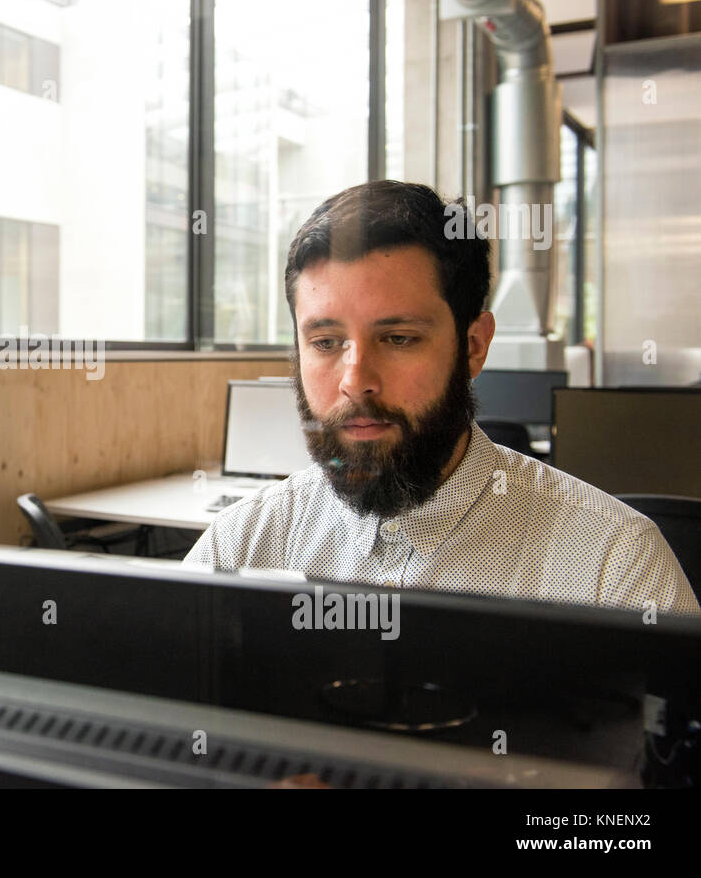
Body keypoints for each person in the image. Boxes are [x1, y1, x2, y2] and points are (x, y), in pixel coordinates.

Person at [183, 180, 699, 616]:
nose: (355, 379)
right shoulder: (242, 546)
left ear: (473, 346)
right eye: (325, 342)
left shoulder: (613, 566)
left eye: (399, 338)